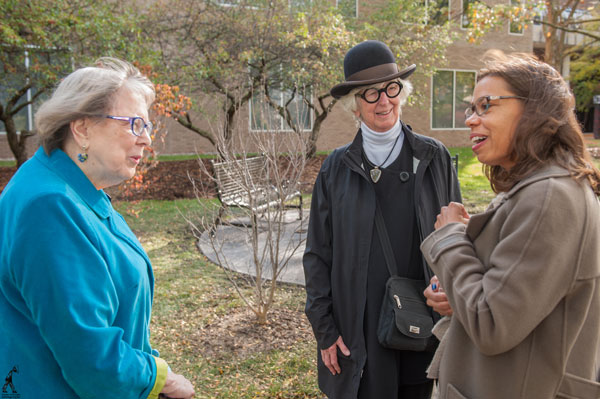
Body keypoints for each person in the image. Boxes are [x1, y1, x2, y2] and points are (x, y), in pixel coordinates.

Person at [0, 58, 195, 399]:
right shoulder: (49, 206)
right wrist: (161, 378)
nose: (147, 139)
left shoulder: (76, 188)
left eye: (146, 126)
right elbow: (91, 359)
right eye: (134, 124)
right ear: (83, 128)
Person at [421, 53, 600, 398]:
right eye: (471, 108)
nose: (471, 120)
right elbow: (515, 300)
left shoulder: (550, 196)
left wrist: (449, 237)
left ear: (535, 110)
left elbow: (491, 324)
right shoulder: (540, 187)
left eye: (486, 105)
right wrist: (456, 295)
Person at [303, 40, 461, 399]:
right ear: (354, 106)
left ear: (401, 93)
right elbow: (317, 256)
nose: (384, 101)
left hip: (424, 323)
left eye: (391, 89)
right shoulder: (335, 169)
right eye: (370, 94)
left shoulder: (433, 157)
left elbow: (457, 236)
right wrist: (325, 331)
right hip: (359, 331)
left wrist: (453, 292)